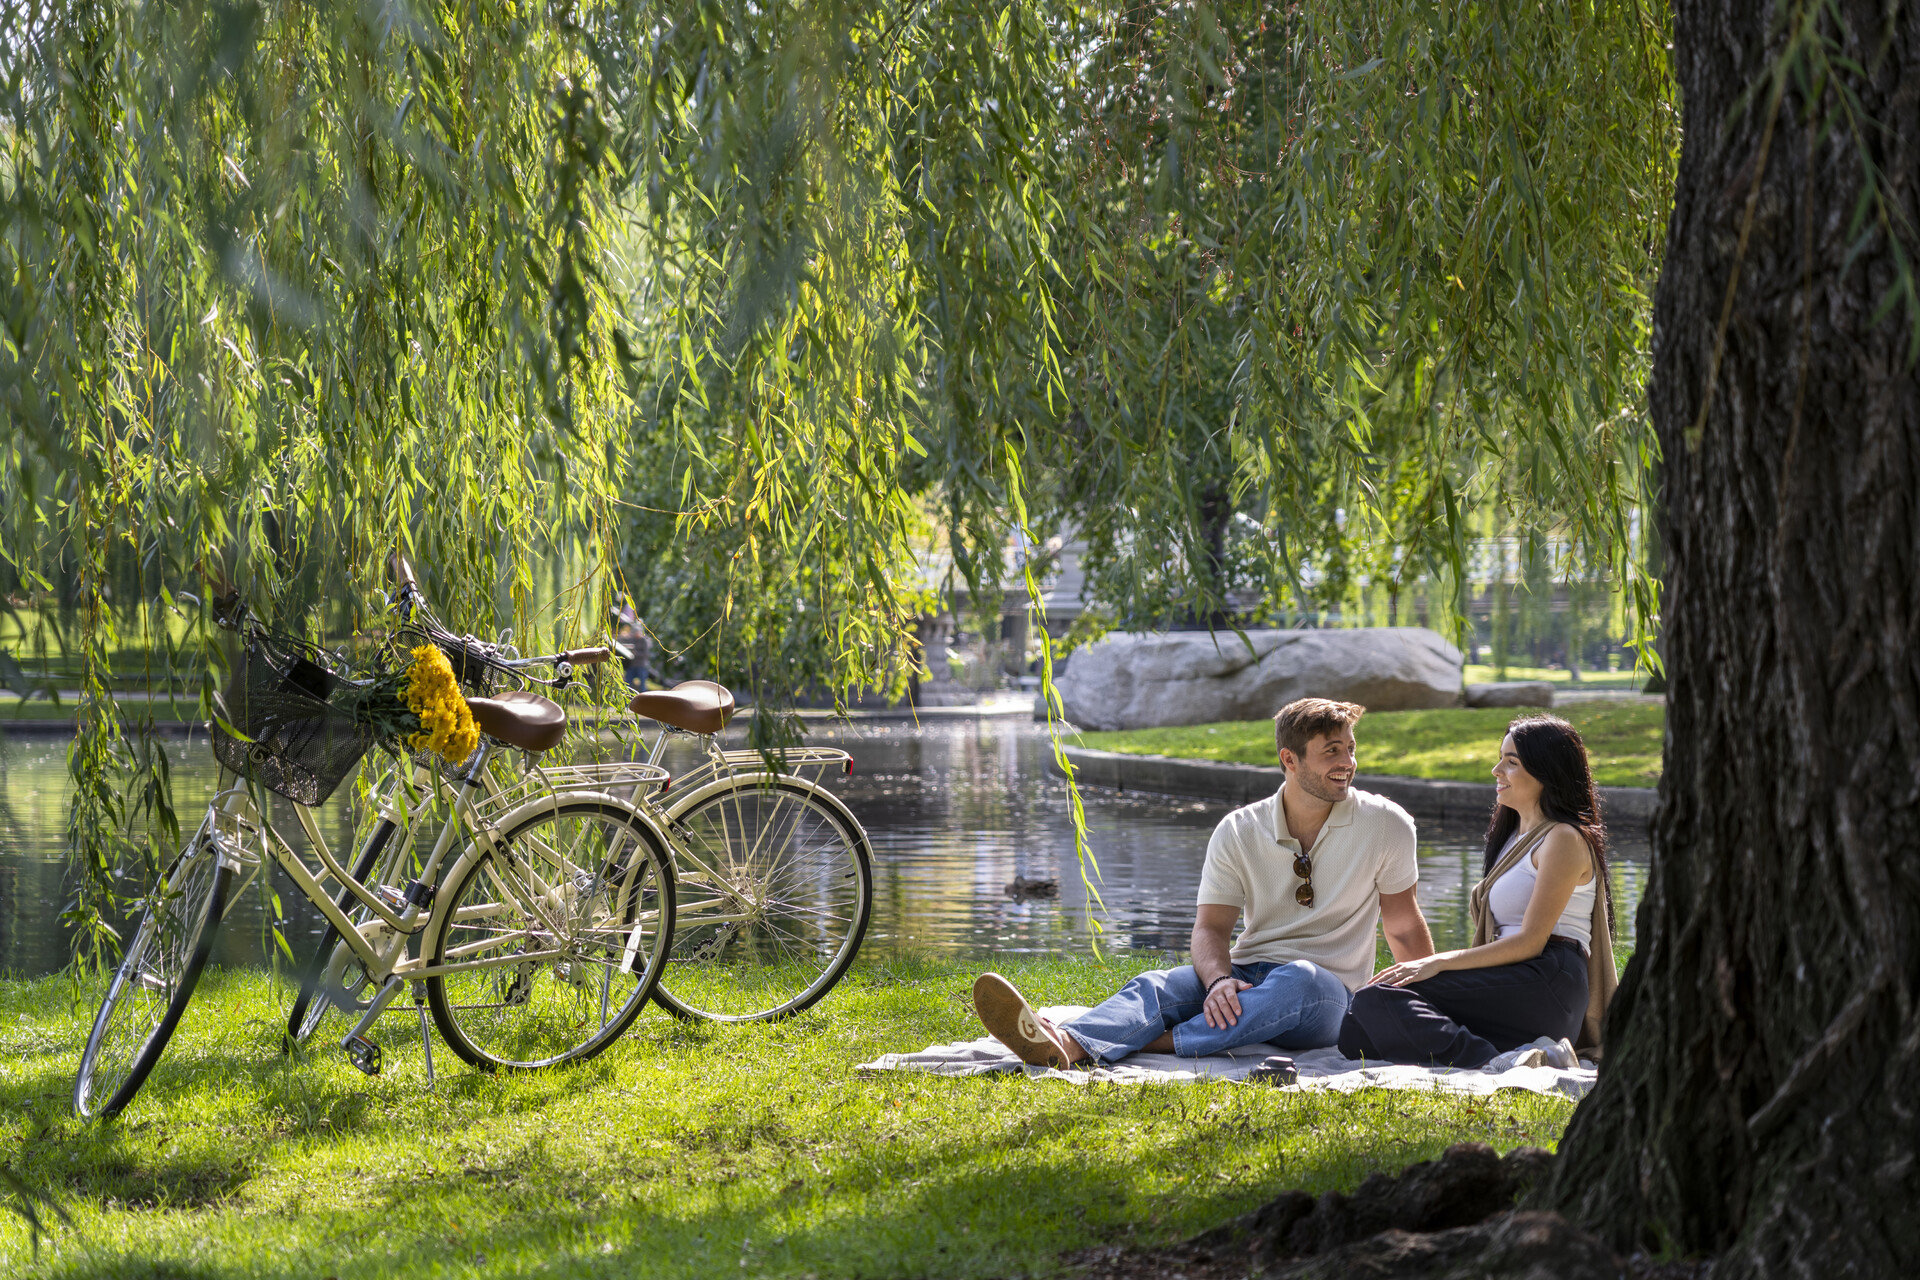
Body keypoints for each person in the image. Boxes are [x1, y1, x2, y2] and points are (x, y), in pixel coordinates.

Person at [972, 698, 1437, 1068]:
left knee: (1299, 980)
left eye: (1350, 747)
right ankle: (1068, 1045)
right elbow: (1211, 929)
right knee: (1158, 985)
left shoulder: (1386, 824)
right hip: (1247, 973)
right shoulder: (1239, 829)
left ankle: (1155, 1042)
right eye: (1331, 750)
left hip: (1327, 994)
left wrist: (1436, 1006)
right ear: (1289, 760)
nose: (1347, 762)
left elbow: (1402, 926)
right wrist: (1218, 982)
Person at [1336, 714, 1620, 1071]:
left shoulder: (1563, 838)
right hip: (1514, 977)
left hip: (1548, 980)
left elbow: (1531, 941)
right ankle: (1521, 1054)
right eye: (1500, 757)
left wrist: (1436, 961)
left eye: (1511, 762)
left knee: (1375, 1001)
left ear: (1547, 772)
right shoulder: (1514, 839)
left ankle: (1492, 1061)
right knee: (1355, 1032)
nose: (1496, 770)